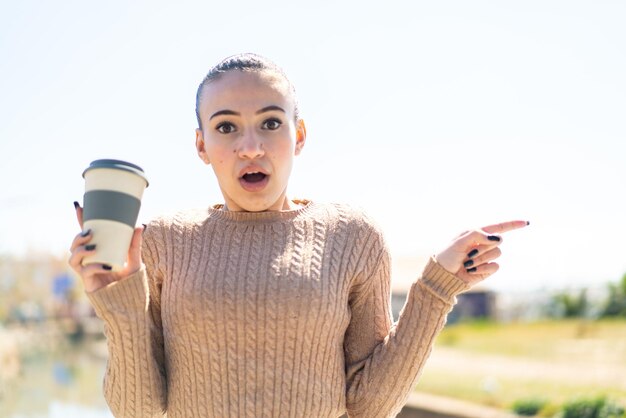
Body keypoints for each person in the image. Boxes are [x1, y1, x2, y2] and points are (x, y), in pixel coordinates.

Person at [68, 53, 528, 418]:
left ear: (299, 134)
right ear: (202, 145)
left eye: (271, 123)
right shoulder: (163, 240)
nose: (251, 147)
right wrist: (120, 307)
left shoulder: (353, 235)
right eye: (226, 127)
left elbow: (370, 407)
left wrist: (437, 287)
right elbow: (140, 412)